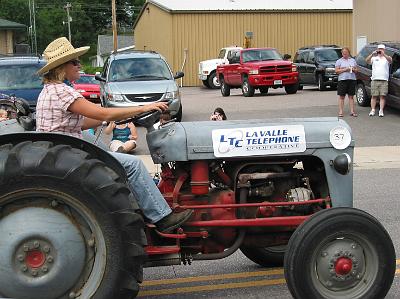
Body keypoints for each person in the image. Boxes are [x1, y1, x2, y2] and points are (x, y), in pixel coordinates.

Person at [36, 37, 193, 233]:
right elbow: (103, 112)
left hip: (62, 152)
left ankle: (142, 202)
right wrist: (143, 107)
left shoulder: (49, 91)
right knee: (134, 165)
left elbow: (83, 122)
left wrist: (111, 120)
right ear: (61, 67)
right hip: (69, 157)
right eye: (74, 62)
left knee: (107, 149)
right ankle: (162, 217)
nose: (79, 65)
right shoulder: (62, 92)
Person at [366, 44, 392, 117]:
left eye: (382, 49)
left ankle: (381, 110)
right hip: (374, 79)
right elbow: (367, 61)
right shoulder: (374, 58)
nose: (380, 50)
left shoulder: (387, 58)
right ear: (377, 49)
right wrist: (371, 54)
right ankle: (373, 110)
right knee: (374, 96)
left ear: (384, 50)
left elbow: (390, 61)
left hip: (384, 80)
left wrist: (384, 55)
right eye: (379, 49)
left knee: (382, 96)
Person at [335, 47, 358, 117]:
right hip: (342, 80)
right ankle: (341, 111)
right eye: (343, 53)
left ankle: (352, 111)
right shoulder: (339, 61)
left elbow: (357, 70)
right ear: (342, 53)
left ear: (349, 53)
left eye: (346, 53)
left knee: (351, 96)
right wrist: (345, 69)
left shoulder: (353, 60)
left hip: (351, 79)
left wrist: (353, 69)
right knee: (342, 96)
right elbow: (336, 71)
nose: (344, 54)